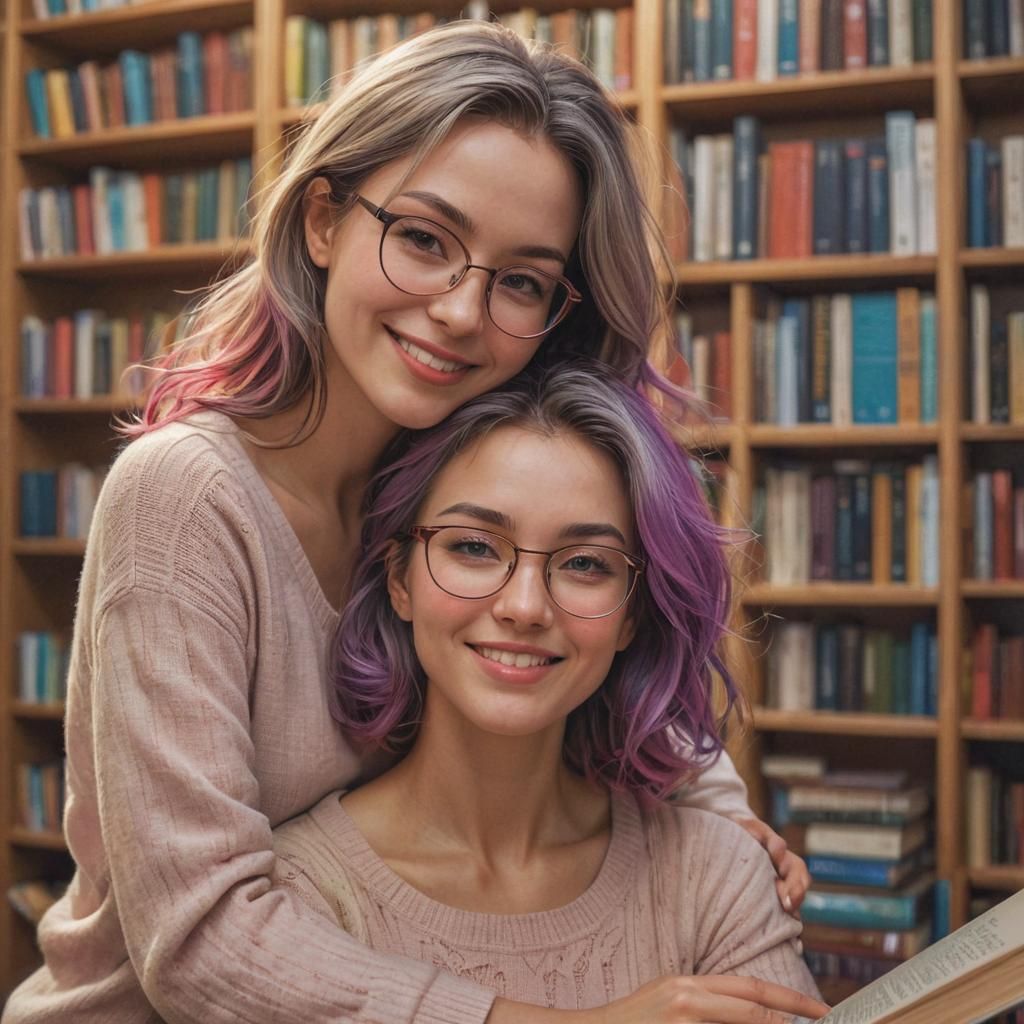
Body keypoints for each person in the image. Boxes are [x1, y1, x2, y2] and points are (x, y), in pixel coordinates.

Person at [3, 22, 806, 1024]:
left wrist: (718, 827)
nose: (463, 311)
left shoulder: (452, 465)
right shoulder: (185, 496)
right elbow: (202, 941)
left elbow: (595, 644)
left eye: (519, 280)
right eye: (424, 239)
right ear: (324, 220)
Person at [272, 360, 829, 1024]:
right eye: (475, 547)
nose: (526, 606)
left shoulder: (713, 873)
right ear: (400, 580)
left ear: (631, 614)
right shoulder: (297, 896)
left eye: (586, 563)